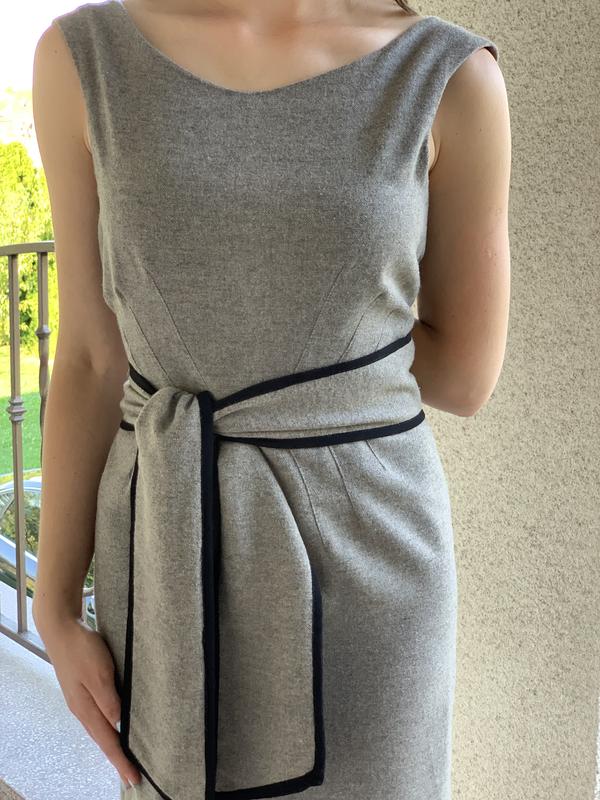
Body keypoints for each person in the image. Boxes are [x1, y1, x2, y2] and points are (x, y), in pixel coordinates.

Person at [31, 1, 511, 798]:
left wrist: (275, 349)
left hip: (371, 583)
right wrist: (53, 608)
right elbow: (89, 354)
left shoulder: (450, 75)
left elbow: (466, 374)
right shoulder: (82, 58)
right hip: (170, 553)